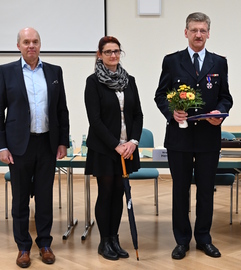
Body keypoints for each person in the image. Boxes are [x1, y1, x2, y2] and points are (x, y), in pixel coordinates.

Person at [154, 12, 233, 260]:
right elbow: (160, 95)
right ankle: (181, 240)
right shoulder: (172, 61)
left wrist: (220, 112)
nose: (198, 34)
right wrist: (171, 112)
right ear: (185, 32)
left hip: (209, 137)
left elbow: (225, 97)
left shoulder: (219, 62)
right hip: (180, 139)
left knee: (206, 190)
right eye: (193, 30)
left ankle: (204, 238)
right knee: (180, 190)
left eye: (202, 30)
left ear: (208, 33)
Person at [0, 27, 69, 268]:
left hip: (47, 144)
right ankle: (23, 247)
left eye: (35, 41)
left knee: (44, 197)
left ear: (40, 45)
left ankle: (45, 244)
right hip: (19, 146)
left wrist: (63, 141)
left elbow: (62, 109)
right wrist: (2, 147)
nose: (31, 45)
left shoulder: (53, 71)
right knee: (19, 199)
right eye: (26, 42)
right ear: (18, 45)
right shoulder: (5, 72)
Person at [84, 36, 143, 261]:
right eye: (108, 52)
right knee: (106, 193)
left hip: (127, 149)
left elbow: (138, 115)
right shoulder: (93, 82)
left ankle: (115, 238)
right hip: (105, 149)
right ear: (100, 55)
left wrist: (133, 142)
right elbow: (95, 120)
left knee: (119, 193)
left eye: (116, 51)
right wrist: (116, 145)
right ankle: (104, 241)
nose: (113, 55)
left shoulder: (130, 80)